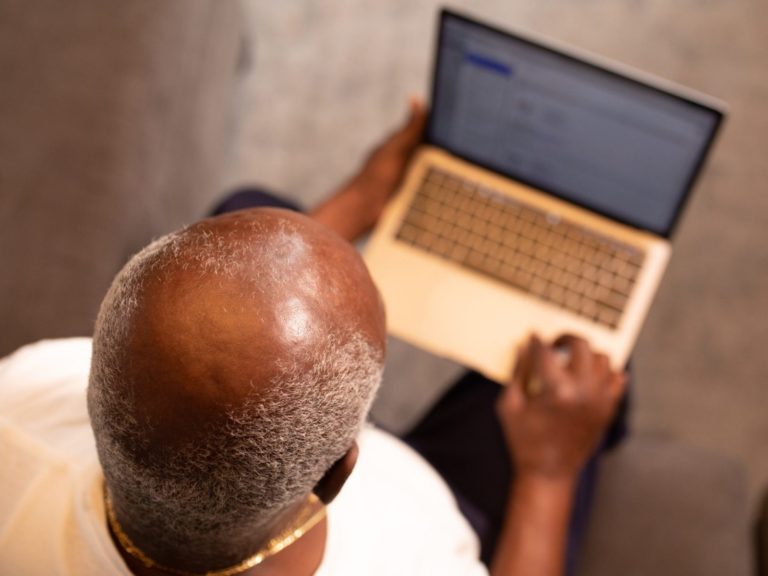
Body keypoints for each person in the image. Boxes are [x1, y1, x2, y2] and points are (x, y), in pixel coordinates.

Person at [0, 101, 626, 576]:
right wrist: (548, 470)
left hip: (279, 458)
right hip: (449, 498)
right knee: (587, 365)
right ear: (336, 475)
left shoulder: (21, 398)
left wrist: (359, 200)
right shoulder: (417, 557)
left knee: (249, 207)